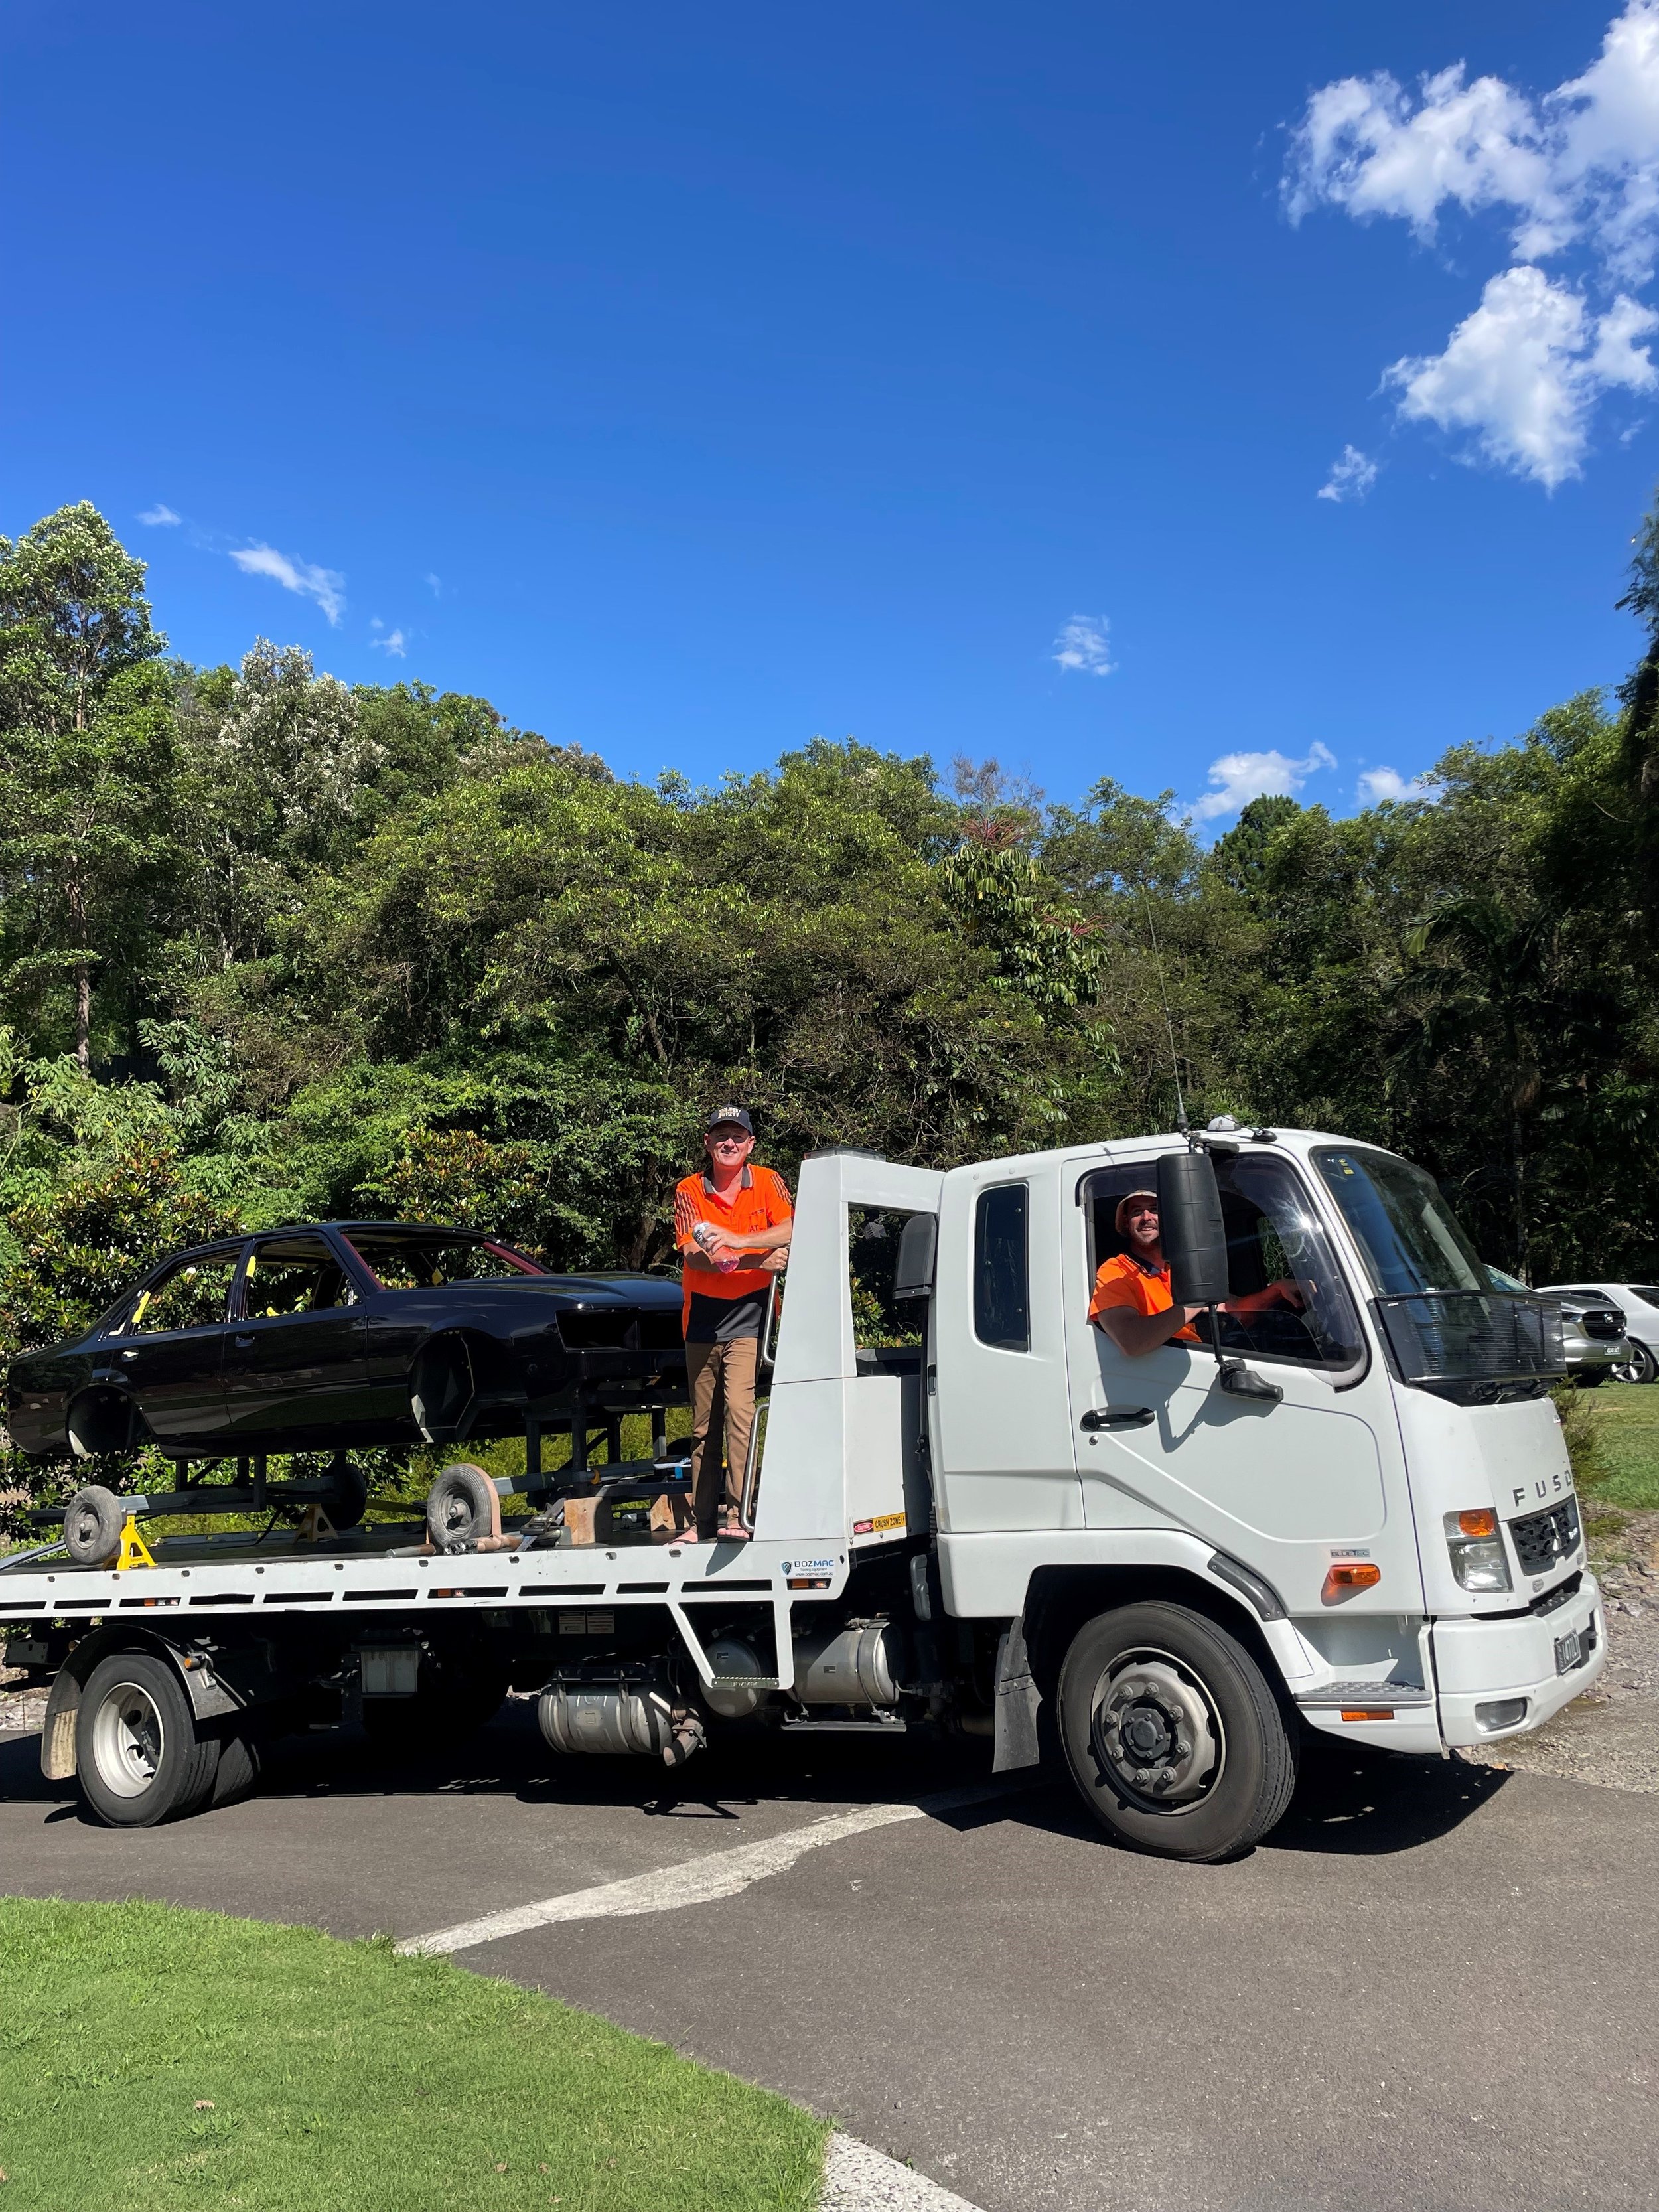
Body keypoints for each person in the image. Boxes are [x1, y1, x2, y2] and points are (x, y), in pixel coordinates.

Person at [672, 1107, 794, 1541]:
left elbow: (790, 1230)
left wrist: (738, 1242)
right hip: (702, 1314)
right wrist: (756, 1257)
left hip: (750, 1312)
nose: (729, 1143)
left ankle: (739, 1517)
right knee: (705, 1425)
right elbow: (694, 1255)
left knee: (741, 1411)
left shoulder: (767, 1180)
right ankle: (700, 1523)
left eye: (737, 1136)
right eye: (721, 1135)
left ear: (750, 1144)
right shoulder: (689, 1190)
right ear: (707, 1142)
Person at [1088, 1189, 1303, 1355]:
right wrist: (1194, 1302)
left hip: (1198, 1363)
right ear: (1126, 1222)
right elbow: (1132, 1342)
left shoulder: (1177, 1271)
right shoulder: (1115, 1271)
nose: (1146, 1217)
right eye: (1137, 1212)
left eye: (1154, 1210)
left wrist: (1277, 1289)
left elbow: (1235, 1309)